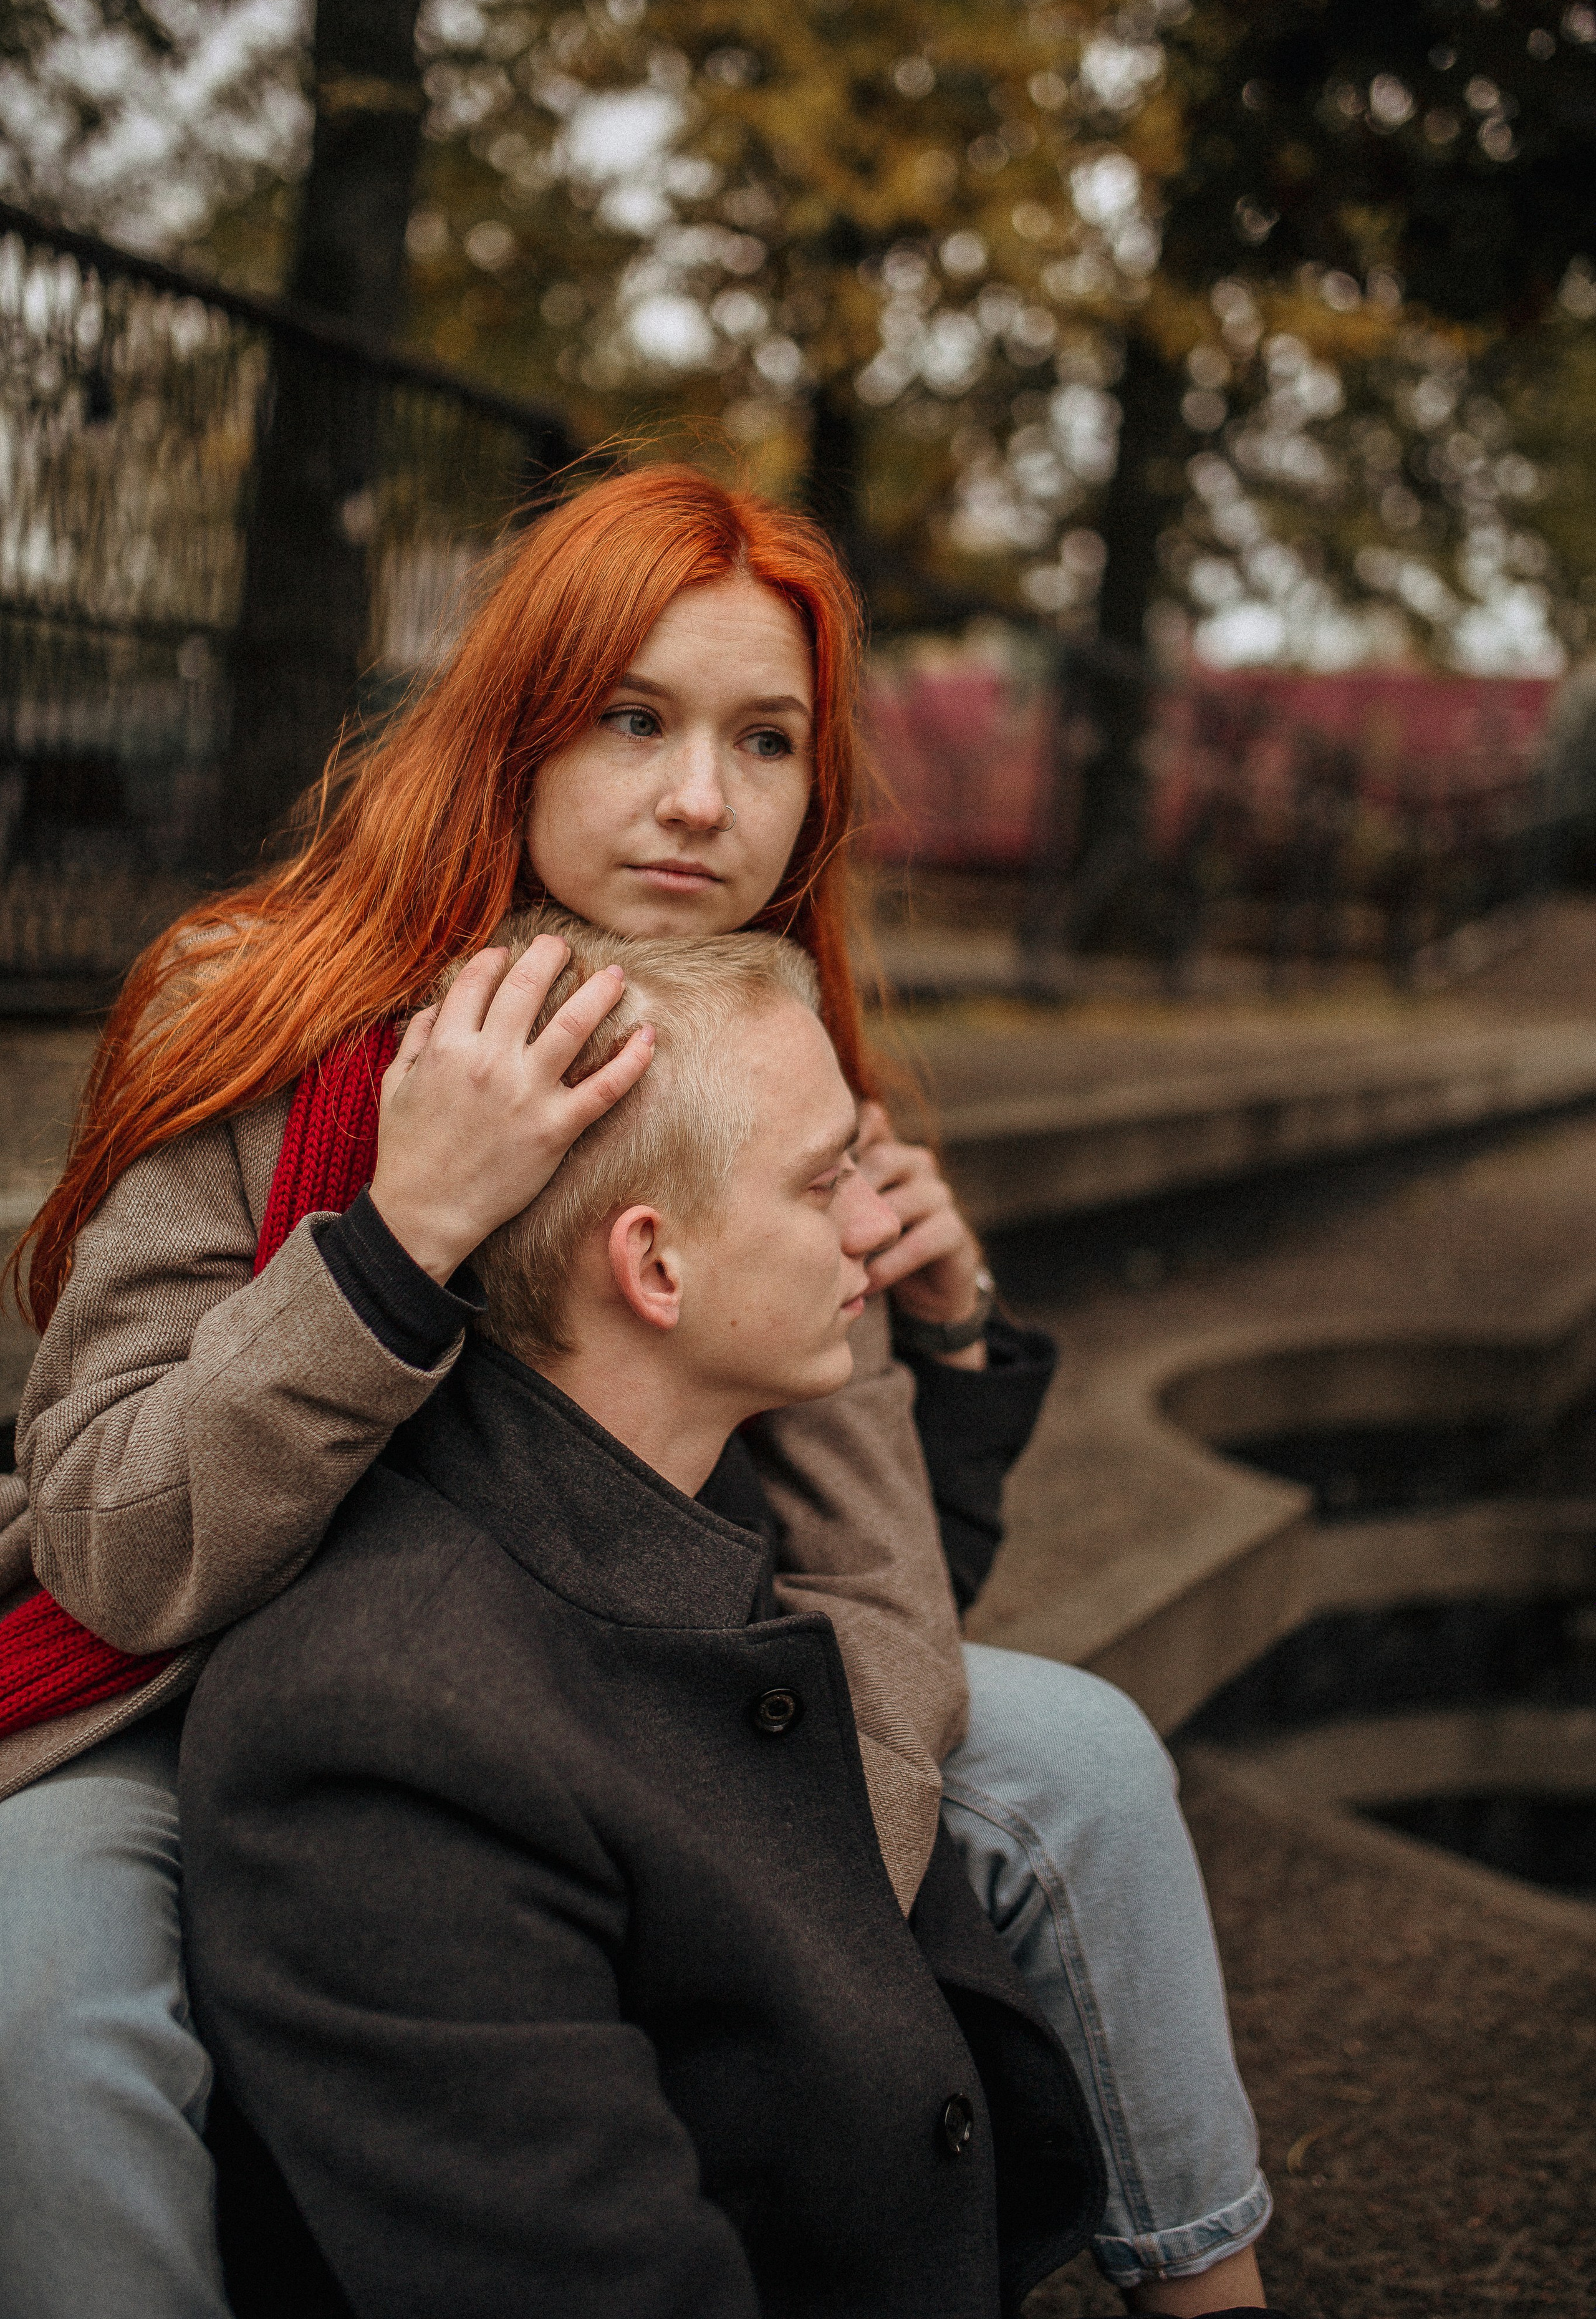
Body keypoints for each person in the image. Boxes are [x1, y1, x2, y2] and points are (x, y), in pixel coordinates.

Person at [0, 464, 1272, 2317]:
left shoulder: (758, 1039)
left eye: (766, 741)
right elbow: (115, 1549)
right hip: (192, 1677)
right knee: (44, 1997)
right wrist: (399, 1233)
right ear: (515, 727)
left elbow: (872, 1576)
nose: (700, 799)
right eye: (632, 719)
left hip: (600, 1679)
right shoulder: (259, 1007)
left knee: (1071, 1756)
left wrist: (776, 1891)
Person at [181, 916, 1118, 2319]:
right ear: (655, 1267)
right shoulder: (385, 1723)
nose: (875, 1224)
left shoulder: (680, 1533)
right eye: (824, 1182)